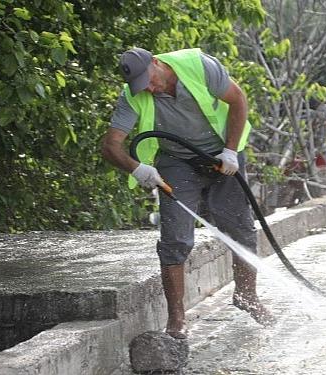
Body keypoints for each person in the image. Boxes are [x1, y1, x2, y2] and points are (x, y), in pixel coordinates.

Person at [101, 47, 276, 339]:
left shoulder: (200, 67)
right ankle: (177, 319)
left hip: (223, 157)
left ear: (156, 63)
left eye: (151, 81)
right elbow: (110, 145)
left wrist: (231, 151)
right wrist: (137, 169)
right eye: (143, 87)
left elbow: (238, 100)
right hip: (177, 162)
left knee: (241, 229)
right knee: (176, 239)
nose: (151, 89)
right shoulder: (132, 95)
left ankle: (247, 297)